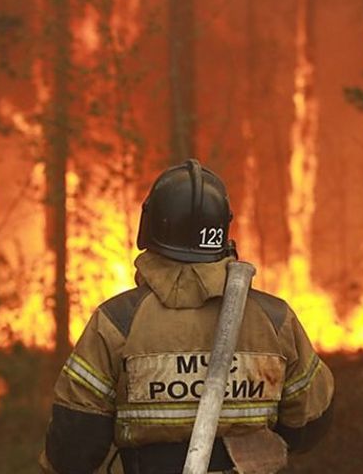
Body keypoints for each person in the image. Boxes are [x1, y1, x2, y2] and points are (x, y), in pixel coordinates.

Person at [41, 159, 334, 474]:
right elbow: (309, 423)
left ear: (150, 227)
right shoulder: (275, 321)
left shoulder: (117, 323)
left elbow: (74, 445)